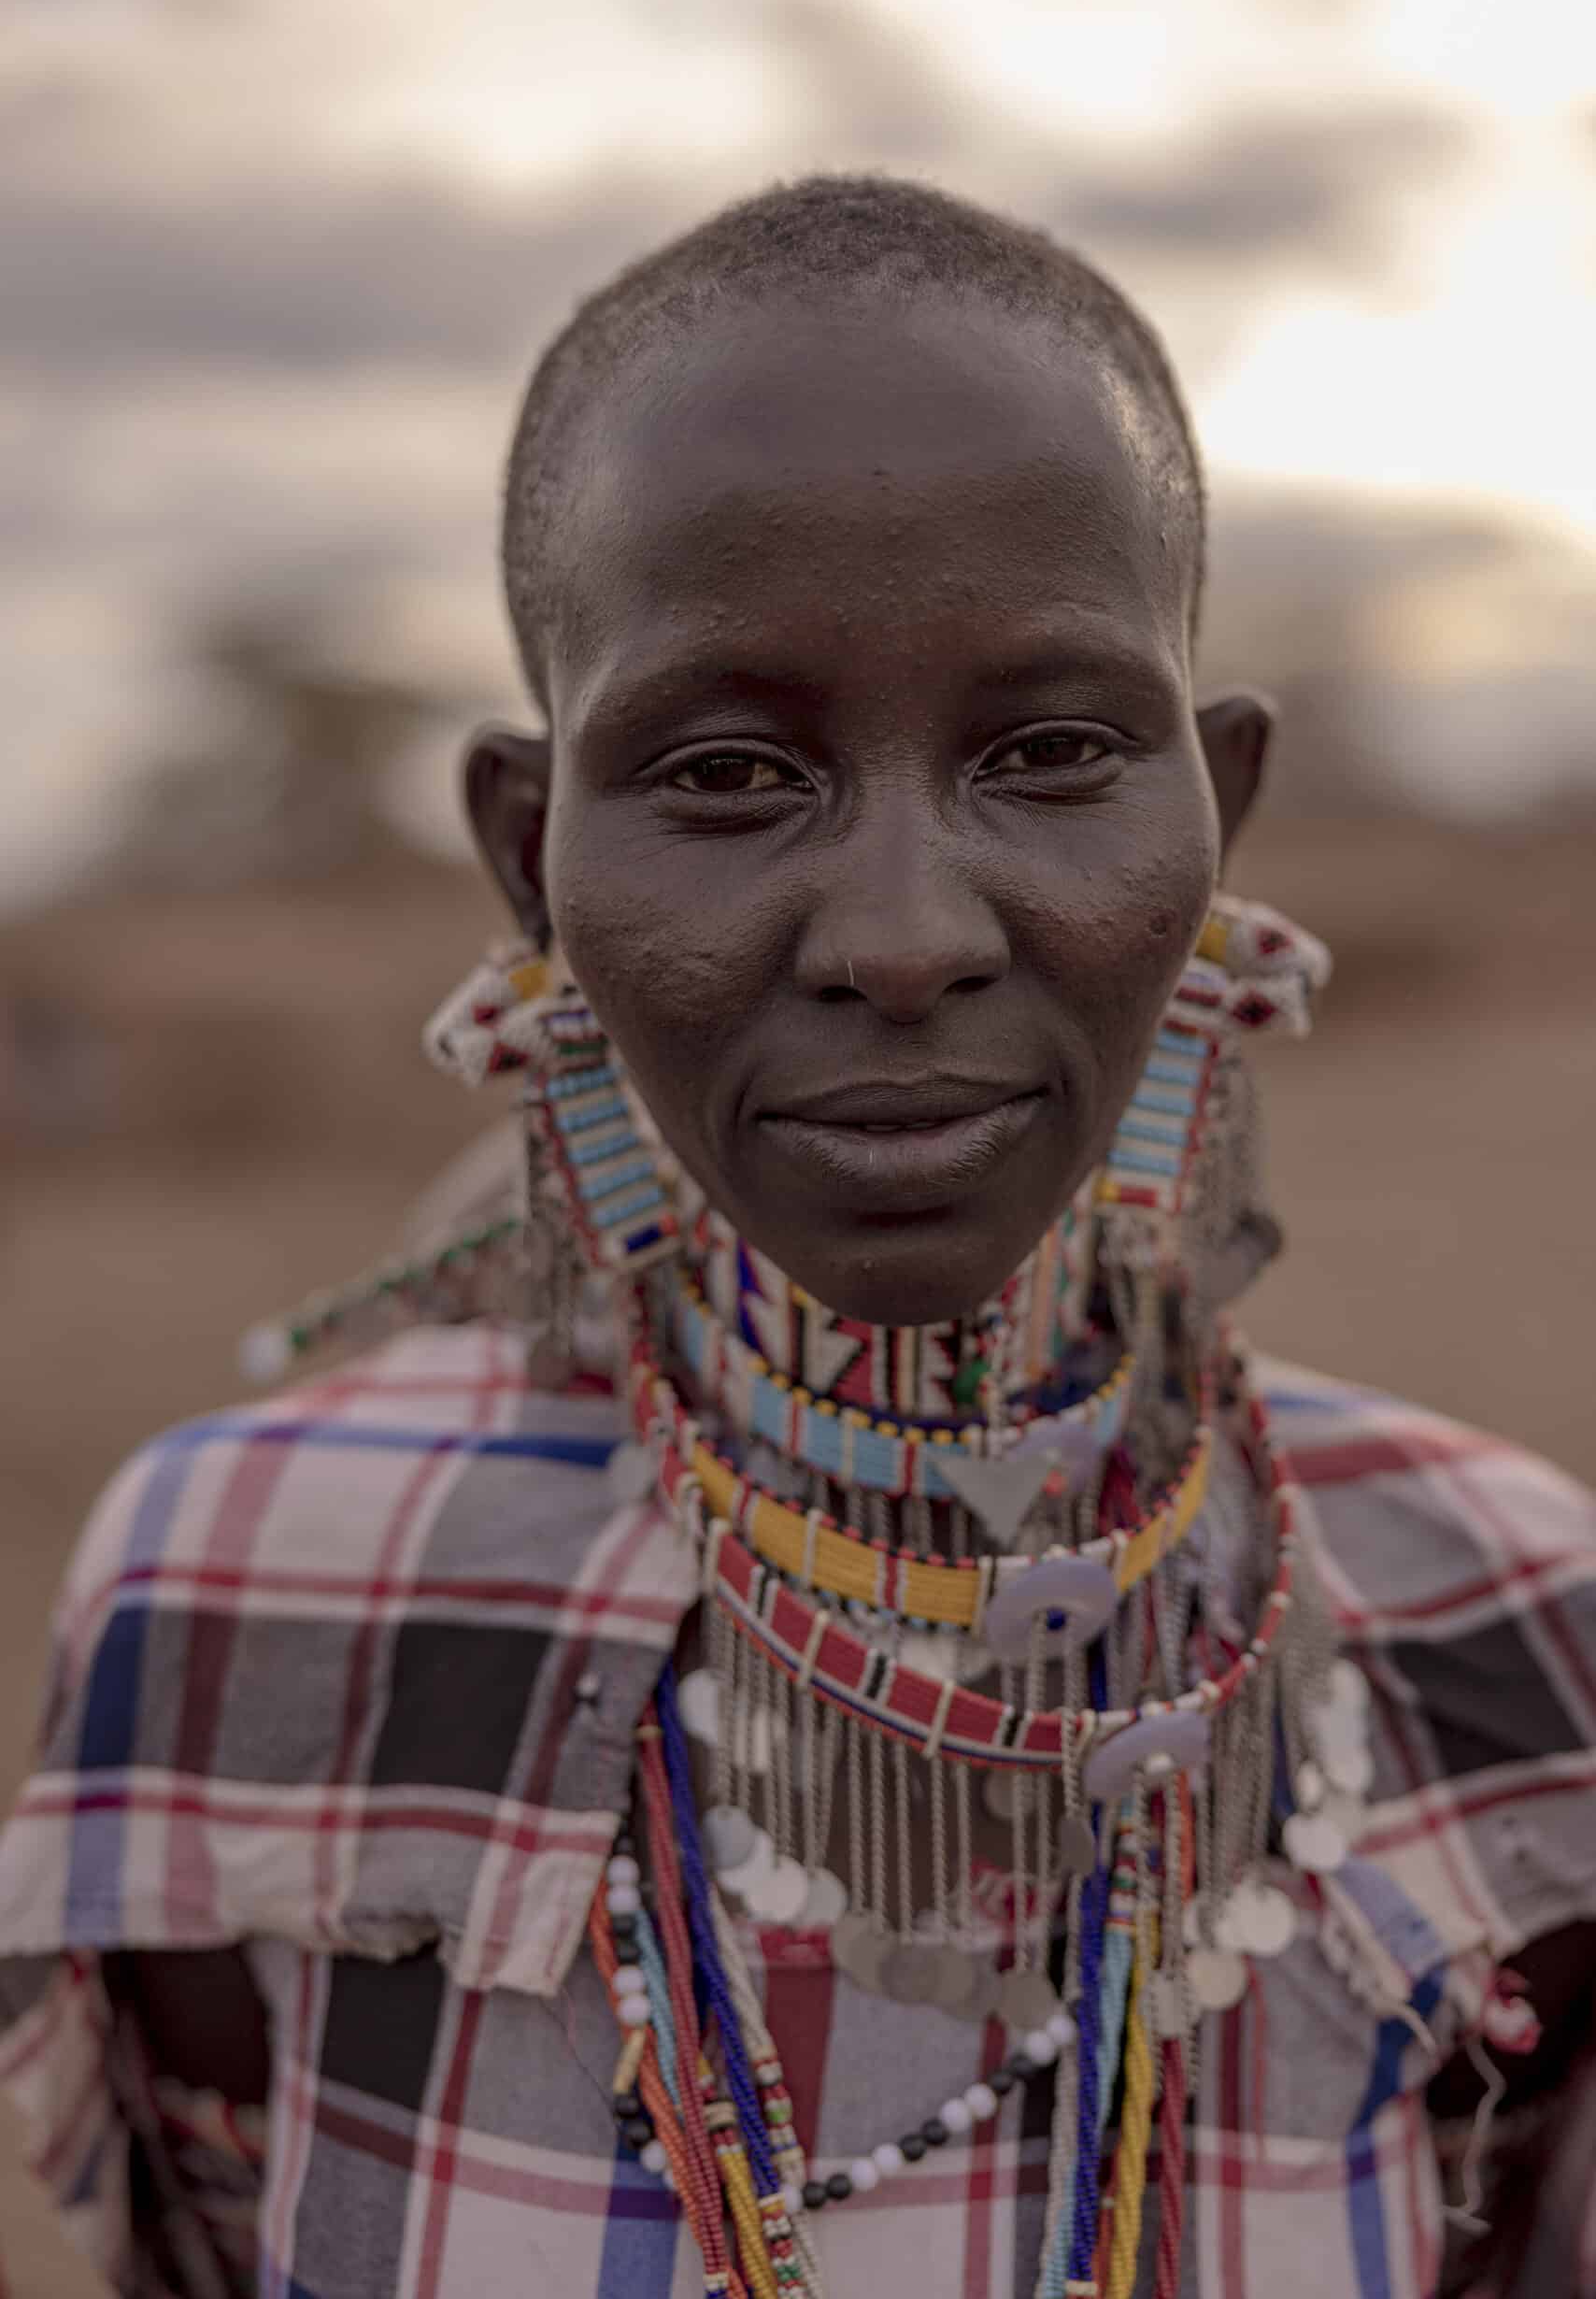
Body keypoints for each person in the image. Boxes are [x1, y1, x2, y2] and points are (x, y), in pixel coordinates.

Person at [2, 175, 1593, 2299]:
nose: (909, 936)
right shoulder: (237, 1592)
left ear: (1215, 812)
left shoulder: (1512, 1631)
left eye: (1050, 751)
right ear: (523, 855)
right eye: (730, 772)